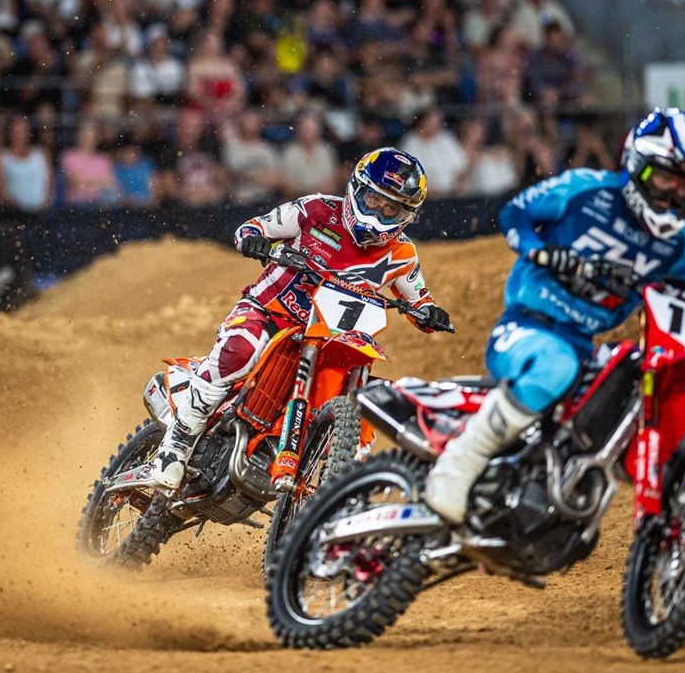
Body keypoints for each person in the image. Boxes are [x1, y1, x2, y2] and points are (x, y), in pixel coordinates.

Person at [422, 108, 685, 631]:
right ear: (638, 165)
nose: (674, 193)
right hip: (528, 326)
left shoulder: (679, 242)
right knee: (554, 365)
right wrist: (543, 252)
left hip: (586, 346)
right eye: (666, 177)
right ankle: (454, 471)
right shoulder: (584, 190)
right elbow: (515, 213)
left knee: (651, 413)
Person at [143, 147, 454, 490]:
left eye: (390, 208)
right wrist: (254, 241)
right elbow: (254, 226)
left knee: (365, 394)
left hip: (333, 336)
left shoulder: (403, 255)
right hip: (271, 311)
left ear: (406, 214)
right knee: (239, 352)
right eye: (373, 199)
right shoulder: (315, 209)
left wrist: (430, 313)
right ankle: (177, 445)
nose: (379, 211)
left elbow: (419, 300)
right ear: (357, 189)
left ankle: (338, 487)